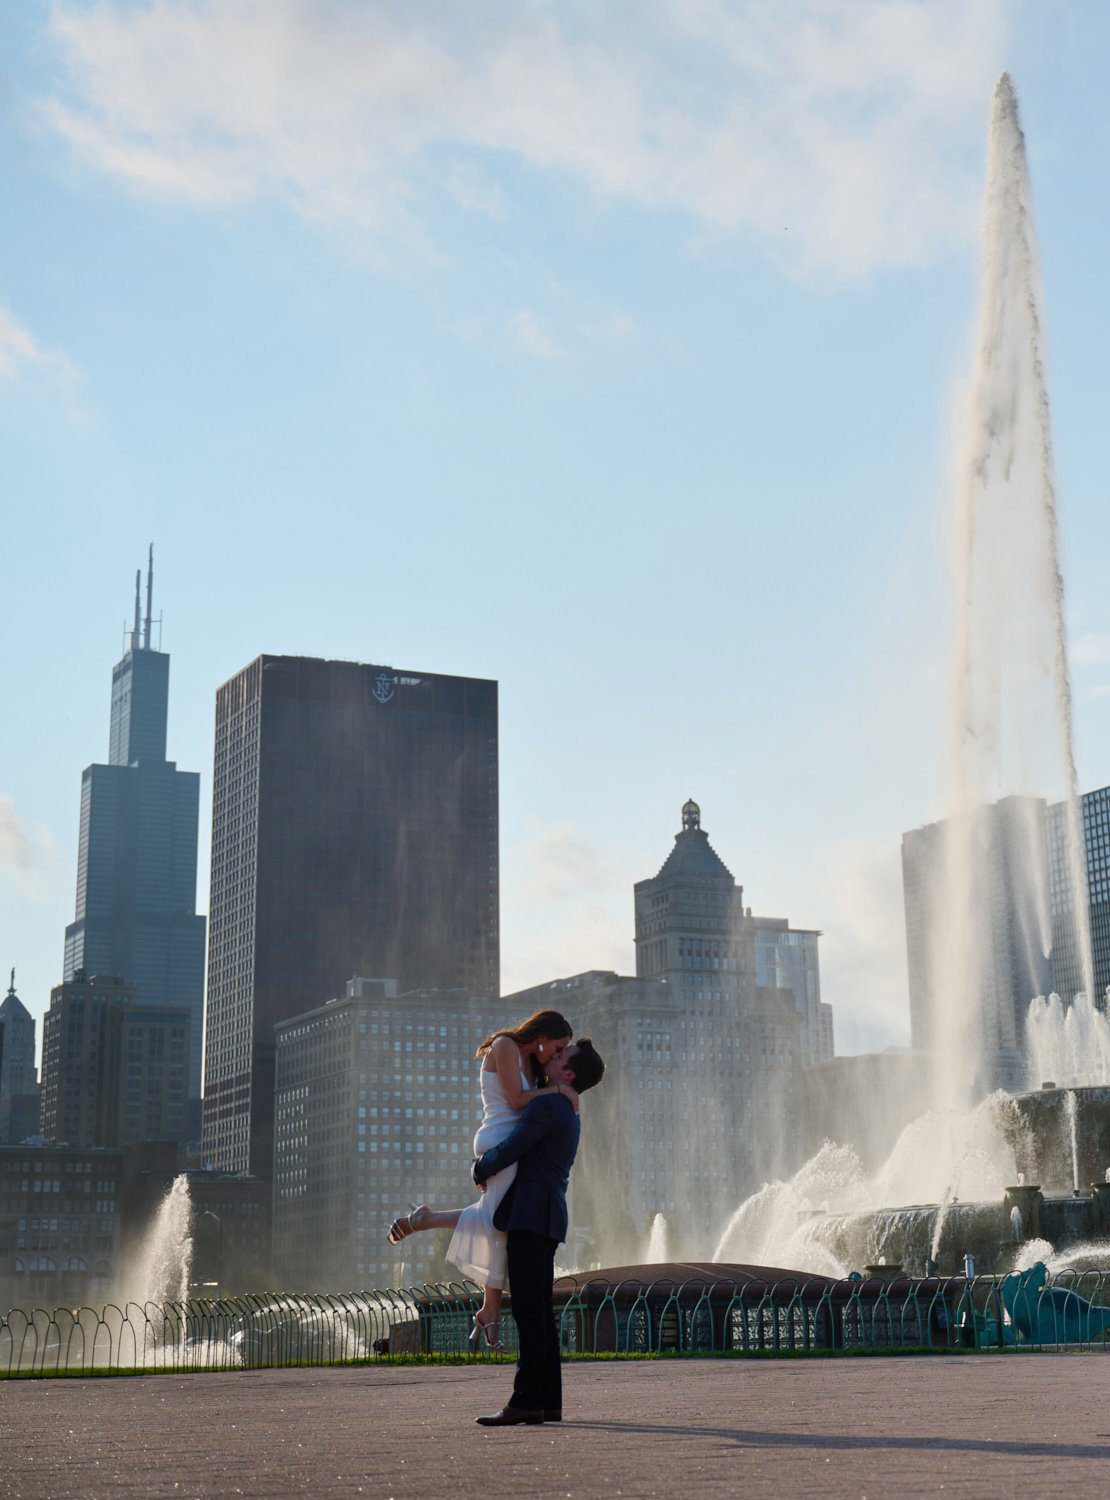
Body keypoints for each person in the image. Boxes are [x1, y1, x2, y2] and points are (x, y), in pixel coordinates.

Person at [386, 1009, 574, 1350]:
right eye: (559, 1047)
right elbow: (516, 1101)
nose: (559, 1054)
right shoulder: (505, 1046)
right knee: (497, 1221)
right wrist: (559, 1090)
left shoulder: (530, 1061)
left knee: (499, 1223)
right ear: (542, 1037)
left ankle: (488, 1309)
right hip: (499, 1140)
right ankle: (425, 1221)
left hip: (510, 1147)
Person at [472, 1037, 605, 1427]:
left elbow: (515, 1145)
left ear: (568, 1073)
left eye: (561, 1055)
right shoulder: (566, 1107)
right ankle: (548, 1402)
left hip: (530, 1216)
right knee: (540, 1314)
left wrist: (481, 1167)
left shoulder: (549, 1105)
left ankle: (526, 1399)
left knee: (530, 1314)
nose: (552, 1054)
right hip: (546, 1217)